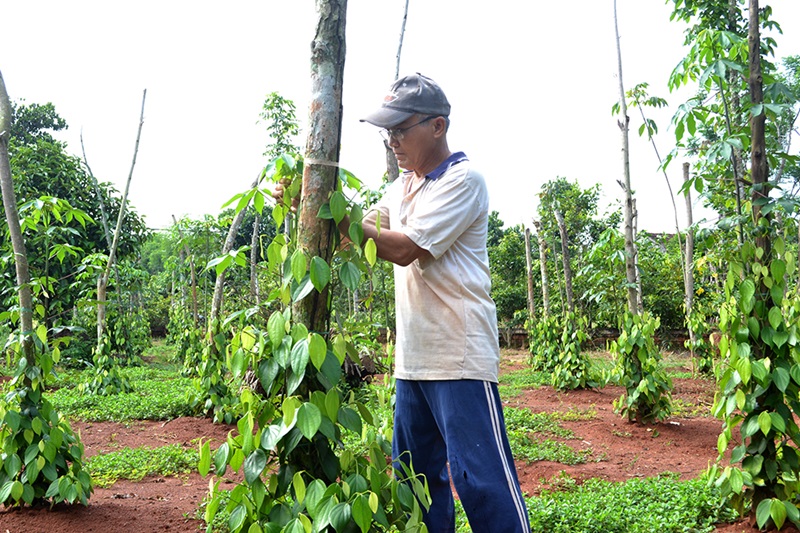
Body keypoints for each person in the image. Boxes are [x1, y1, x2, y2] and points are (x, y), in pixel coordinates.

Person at [350, 73, 531, 533]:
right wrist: (309, 208)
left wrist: (341, 221)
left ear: (437, 126)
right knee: (416, 483)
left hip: (459, 357)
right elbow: (363, 231)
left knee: (482, 484)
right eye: (387, 132)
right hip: (413, 361)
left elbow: (404, 247)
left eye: (400, 128)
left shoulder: (463, 180)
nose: (392, 140)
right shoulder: (403, 186)